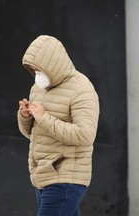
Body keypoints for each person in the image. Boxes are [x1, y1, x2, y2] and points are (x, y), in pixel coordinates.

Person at [17, 35, 100, 216]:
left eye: (38, 69)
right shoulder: (37, 88)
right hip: (43, 174)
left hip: (66, 176)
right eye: (32, 70)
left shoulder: (81, 88)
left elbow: (85, 135)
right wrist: (25, 117)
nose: (36, 74)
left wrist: (44, 118)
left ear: (52, 64)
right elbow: (32, 133)